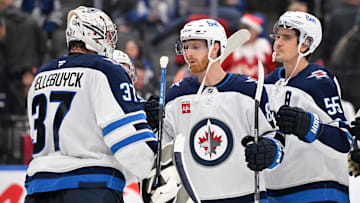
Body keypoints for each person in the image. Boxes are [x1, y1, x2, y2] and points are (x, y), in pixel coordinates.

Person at [24, 6, 157, 203]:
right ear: (94, 35)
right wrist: (154, 166)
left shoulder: (41, 76)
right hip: (90, 188)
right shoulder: (105, 70)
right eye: (109, 35)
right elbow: (128, 141)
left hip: (38, 188)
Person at [152, 18, 285, 202]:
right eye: (186, 47)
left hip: (245, 196)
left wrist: (270, 150)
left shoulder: (249, 91)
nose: (188, 53)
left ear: (215, 48)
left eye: (196, 47)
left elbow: (275, 137)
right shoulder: (176, 95)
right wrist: (150, 123)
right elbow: (161, 151)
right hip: (193, 199)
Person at [264, 11, 352, 202]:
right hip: (274, 192)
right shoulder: (268, 82)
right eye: (277, 36)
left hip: (319, 191)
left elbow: (345, 141)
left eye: (286, 38)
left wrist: (311, 126)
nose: (277, 43)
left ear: (306, 43)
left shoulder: (319, 80)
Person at [221, 13, 276, 79]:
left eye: (246, 28)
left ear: (255, 32)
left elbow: (272, 72)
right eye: (241, 28)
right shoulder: (231, 47)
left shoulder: (265, 48)